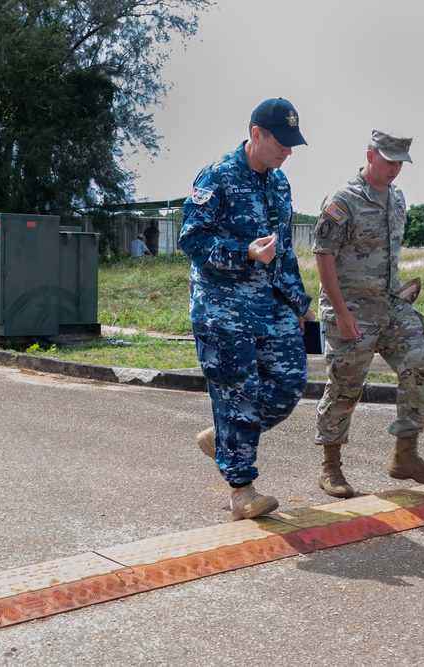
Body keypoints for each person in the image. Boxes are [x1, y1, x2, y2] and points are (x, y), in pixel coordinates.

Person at [178, 98, 315, 520]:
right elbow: (192, 241)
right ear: (256, 133)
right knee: (238, 397)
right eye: (282, 142)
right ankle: (243, 492)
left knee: (290, 385)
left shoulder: (279, 183)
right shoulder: (218, 175)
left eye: (293, 144)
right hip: (223, 309)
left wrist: (300, 304)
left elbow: (285, 251)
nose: (288, 151)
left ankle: (223, 438)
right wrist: (244, 254)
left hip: (271, 304)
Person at [312, 130, 424, 498]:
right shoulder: (344, 200)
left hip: (391, 305)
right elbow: (323, 254)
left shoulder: (397, 198)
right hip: (351, 308)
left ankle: (405, 454)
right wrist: (340, 312)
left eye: (400, 162)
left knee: (422, 367)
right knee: (345, 388)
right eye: (388, 160)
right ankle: (331, 467)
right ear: (369, 155)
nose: (394, 169)